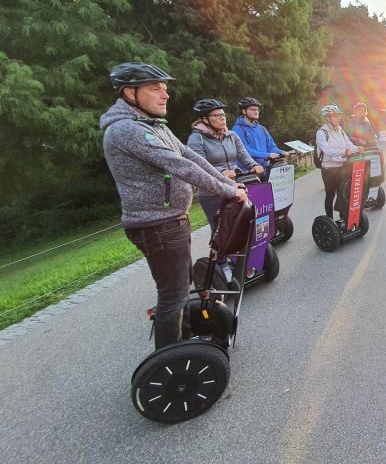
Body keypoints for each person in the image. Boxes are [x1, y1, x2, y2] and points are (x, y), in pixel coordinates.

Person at [100, 63, 247, 350]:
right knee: (173, 296)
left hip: (170, 221)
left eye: (165, 89)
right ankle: (173, 360)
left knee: (178, 292)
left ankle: (183, 343)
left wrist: (229, 186)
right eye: (155, 88)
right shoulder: (127, 130)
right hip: (156, 225)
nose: (165, 95)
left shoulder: (154, 126)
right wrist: (227, 189)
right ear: (130, 93)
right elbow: (178, 166)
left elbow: (192, 157)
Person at [187, 99, 263, 281]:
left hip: (236, 187)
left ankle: (242, 258)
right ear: (205, 119)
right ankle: (221, 264)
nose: (222, 118)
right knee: (221, 228)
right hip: (212, 191)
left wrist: (253, 165)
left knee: (243, 222)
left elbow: (243, 155)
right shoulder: (196, 139)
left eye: (223, 115)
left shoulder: (231, 135)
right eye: (217, 115)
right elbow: (199, 165)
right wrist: (222, 172)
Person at [316, 104, 362, 218]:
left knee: (343, 194)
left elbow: (348, 144)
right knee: (330, 195)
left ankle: (343, 219)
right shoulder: (321, 133)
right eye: (335, 116)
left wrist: (357, 148)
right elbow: (328, 151)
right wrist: (345, 152)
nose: (338, 118)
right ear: (327, 118)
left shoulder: (340, 130)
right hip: (329, 169)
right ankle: (330, 220)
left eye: (338, 116)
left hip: (342, 167)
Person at [231, 97, 286, 173]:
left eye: (257, 110)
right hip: (249, 172)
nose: (256, 112)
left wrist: (281, 152)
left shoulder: (262, 129)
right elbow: (244, 151)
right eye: (253, 109)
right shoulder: (237, 129)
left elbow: (271, 147)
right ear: (244, 111)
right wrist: (267, 155)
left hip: (265, 169)